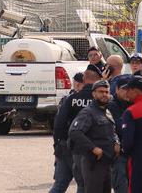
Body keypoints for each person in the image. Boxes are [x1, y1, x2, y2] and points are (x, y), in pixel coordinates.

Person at [51, 64, 101, 193]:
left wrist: (57, 146)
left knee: (60, 183)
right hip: (88, 148)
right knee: (84, 184)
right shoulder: (99, 101)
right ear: (99, 80)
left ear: (84, 79)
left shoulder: (71, 99)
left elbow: (58, 124)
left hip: (65, 145)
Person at [69, 80, 119, 193]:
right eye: (101, 92)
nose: (104, 94)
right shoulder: (88, 112)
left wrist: (116, 142)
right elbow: (75, 132)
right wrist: (93, 148)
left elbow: (112, 131)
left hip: (107, 162)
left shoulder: (106, 111)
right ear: (93, 94)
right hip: (94, 163)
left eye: (106, 92)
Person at [107, 75, 133, 193]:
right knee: (121, 186)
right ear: (117, 89)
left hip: (132, 151)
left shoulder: (132, 103)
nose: (127, 92)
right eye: (124, 89)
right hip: (118, 152)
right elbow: (119, 127)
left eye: (129, 89)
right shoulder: (111, 105)